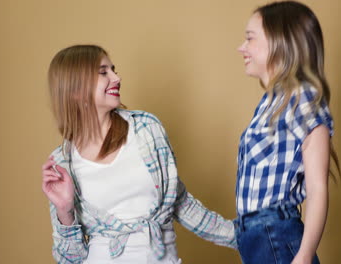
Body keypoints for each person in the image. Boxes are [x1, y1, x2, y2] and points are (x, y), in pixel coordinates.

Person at [41, 45, 236, 264]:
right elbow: (69, 259)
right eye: (103, 72)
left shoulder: (146, 129)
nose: (117, 77)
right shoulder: (61, 163)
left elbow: (180, 203)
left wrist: (243, 237)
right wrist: (65, 211)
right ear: (75, 90)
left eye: (113, 69)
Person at [234, 1, 341, 264]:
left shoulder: (303, 99)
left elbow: (317, 188)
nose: (241, 47)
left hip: (275, 235)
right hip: (255, 236)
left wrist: (303, 255)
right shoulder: (269, 103)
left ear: (280, 43)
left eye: (250, 39)